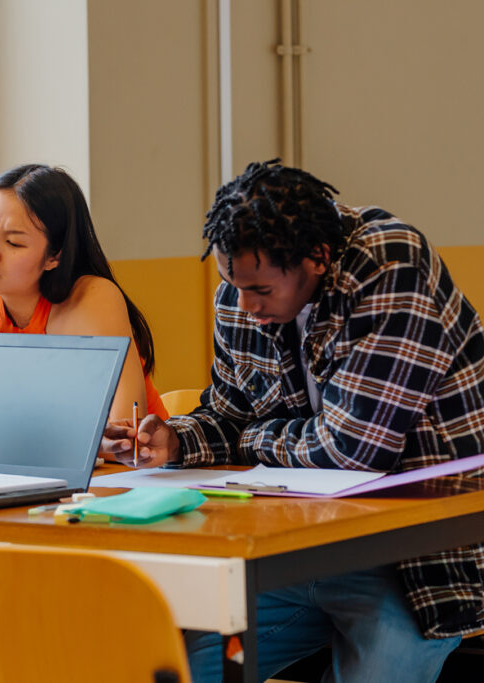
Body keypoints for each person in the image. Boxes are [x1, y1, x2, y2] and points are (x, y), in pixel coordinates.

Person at [105, 160, 484, 682]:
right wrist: (173, 441)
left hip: (414, 554)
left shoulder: (391, 265)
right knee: (169, 669)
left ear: (318, 259)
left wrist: (253, 438)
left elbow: (352, 451)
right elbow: (228, 415)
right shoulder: (241, 296)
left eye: (260, 290)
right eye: (230, 283)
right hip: (286, 548)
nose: (243, 304)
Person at [0, 163, 167, 444]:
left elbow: (124, 436)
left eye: (13, 243)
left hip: (134, 476)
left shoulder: (92, 298)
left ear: (54, 256)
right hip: (23, 473)